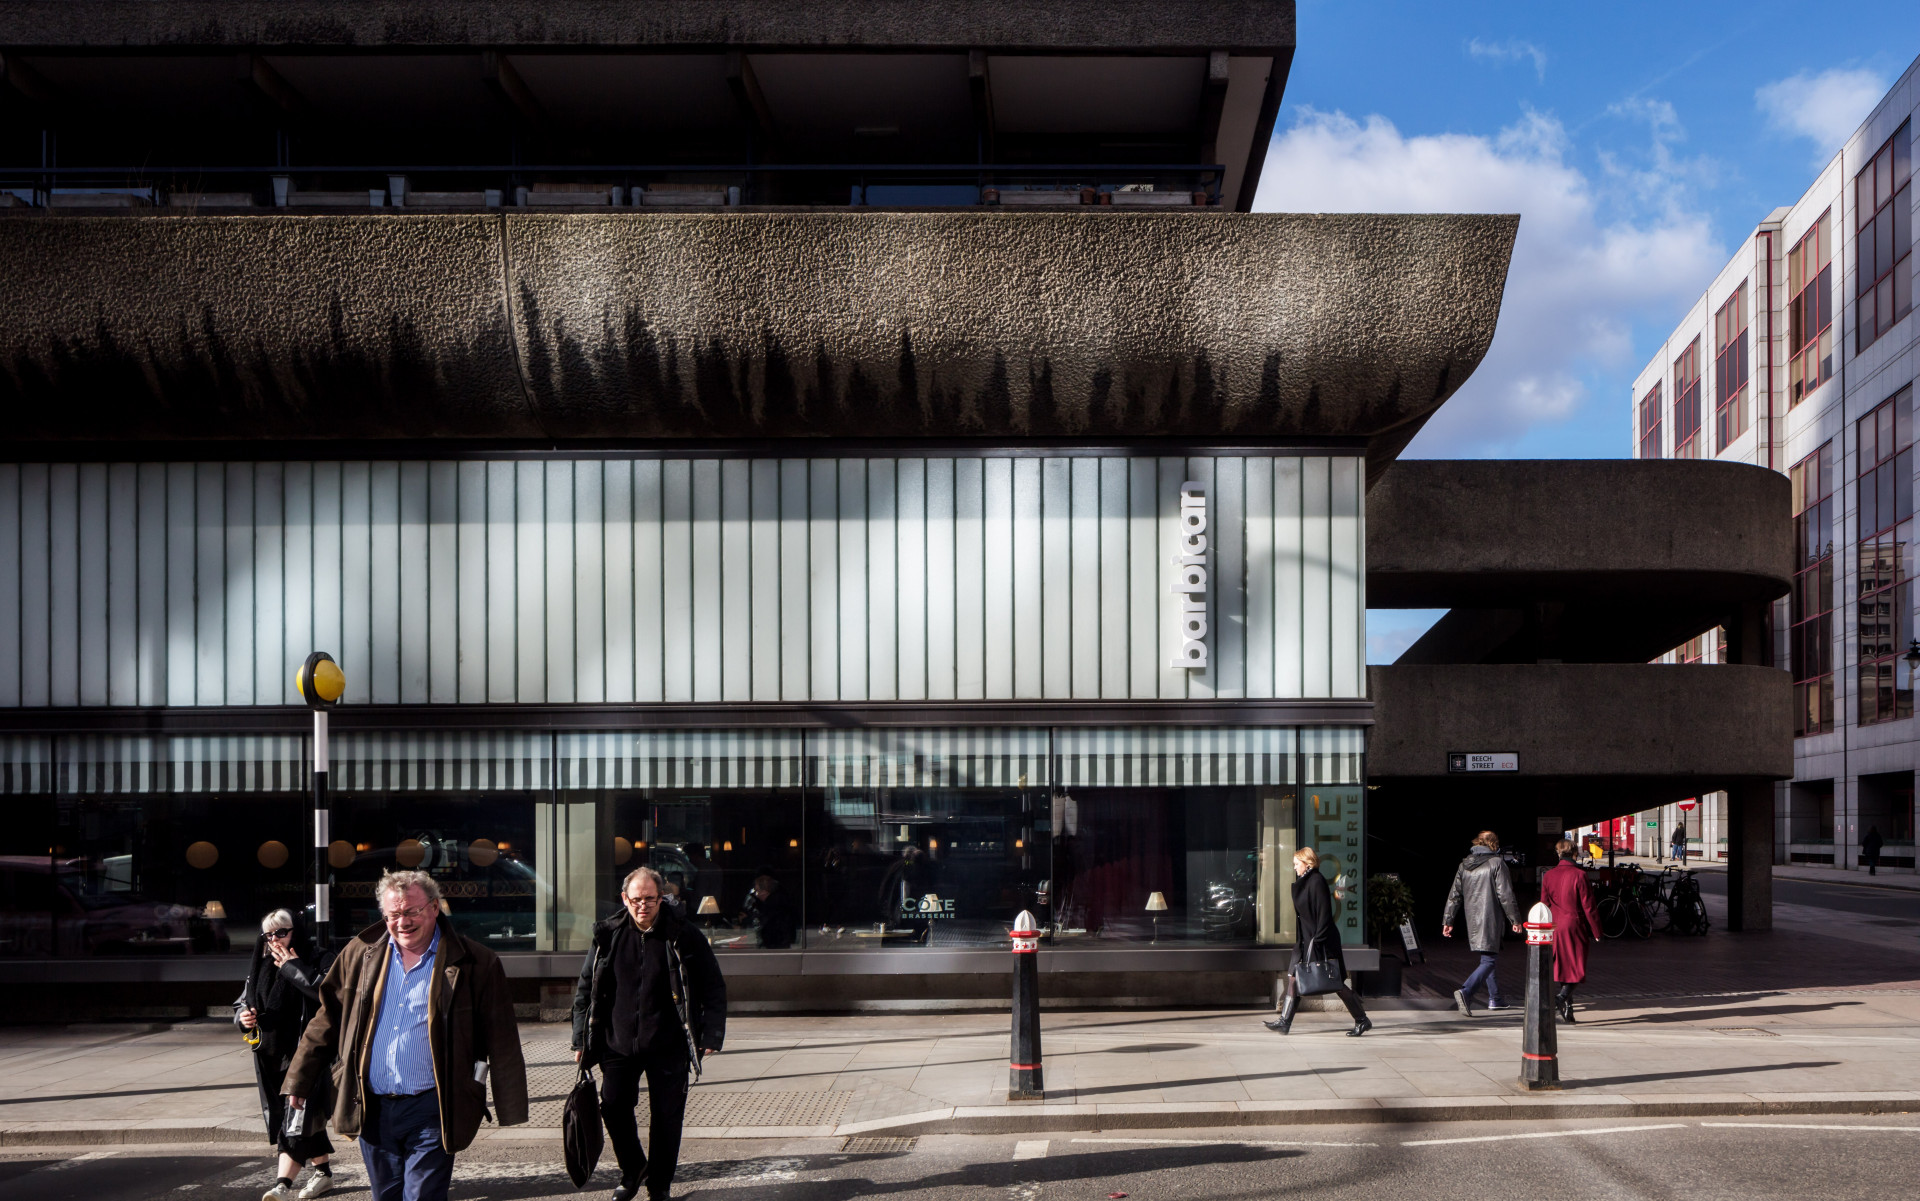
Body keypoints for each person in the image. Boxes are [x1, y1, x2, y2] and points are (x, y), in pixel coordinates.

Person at [283, 871, 528, 1201]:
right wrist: (298, 1080)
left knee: (422, 1196)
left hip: (434, 1105)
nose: (403, 922)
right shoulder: (359, 954)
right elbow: (326, 1019)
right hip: (370, 1103)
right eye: (394, 914)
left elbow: (502, 1038)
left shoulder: (476, 962)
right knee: (386, 1195)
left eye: (412, 911)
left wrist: (510, 1105)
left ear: (434, 907)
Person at [573, 866, 728, 1201]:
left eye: (650, 899)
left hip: (668, 1043)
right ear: (624, 899)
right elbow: (586, 989)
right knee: (613, 1105)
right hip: (617, 1042)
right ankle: (633, 1168)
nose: (642, 905)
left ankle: (659, 1185)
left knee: (667, 1117)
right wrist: (580, 1039)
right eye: (636, 899)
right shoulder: (608, 935)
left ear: (661, 898)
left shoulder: (682, 934)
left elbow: (713, 986)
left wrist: (712, 1034)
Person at [235, 910, 337, 1201]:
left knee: (295, 1118)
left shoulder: (319, 958)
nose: (275, 940)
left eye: (282, 932)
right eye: (268, 935)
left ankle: (282, 1185)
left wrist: (294, 968)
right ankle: (323, 1174)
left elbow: (330, 995)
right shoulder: (262, 964)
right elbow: (242, 1001)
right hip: (271, 1055)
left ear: (297, 931)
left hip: (308, 1054)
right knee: (298, 1117)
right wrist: (243, 1017)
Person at [1263, 846, 1370, 1037]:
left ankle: (1362, 1020)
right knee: (1293, 977)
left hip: (1321, 940)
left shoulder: (1316, 881)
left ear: (1307, 863)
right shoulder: (1305, 881)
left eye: (1297, 864)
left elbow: (1324, 915)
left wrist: (1317, 942)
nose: (1294, 867)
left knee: (1335, 982)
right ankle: (1285, 1022)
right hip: (1305, 940)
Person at [1441, 830, 1523, 1016]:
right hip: (1490, 916)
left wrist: (1448, 920)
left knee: (1487, 956)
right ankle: (1466, 991)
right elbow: (1506, 894)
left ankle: (1495, 998)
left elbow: (1454, 895)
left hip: (1472, 918)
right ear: (1494, 844)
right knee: (1489, 959)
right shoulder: (1497, 863)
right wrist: (1515, 919)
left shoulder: (1464, 865)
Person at [1539, 840, 1602, 1023]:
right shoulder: (1580, 875)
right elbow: (1589, 906)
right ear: (1574, 853)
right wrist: (1597, 931)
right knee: (1576, 967)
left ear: (1558, 854)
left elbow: (1544, 904)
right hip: (1574, 926)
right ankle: (1561, 999)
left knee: (1564, 967)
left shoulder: (1548, 875)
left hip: (1555, 926)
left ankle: (1569, 1009)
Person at [739, 873, 797, 949]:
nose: (756, 895)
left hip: (776, 943)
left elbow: (764, 920)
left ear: (764, 892)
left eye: (757, 891)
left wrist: (746, 920)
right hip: (778, 941)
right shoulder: (775, 901)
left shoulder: (774, 904)